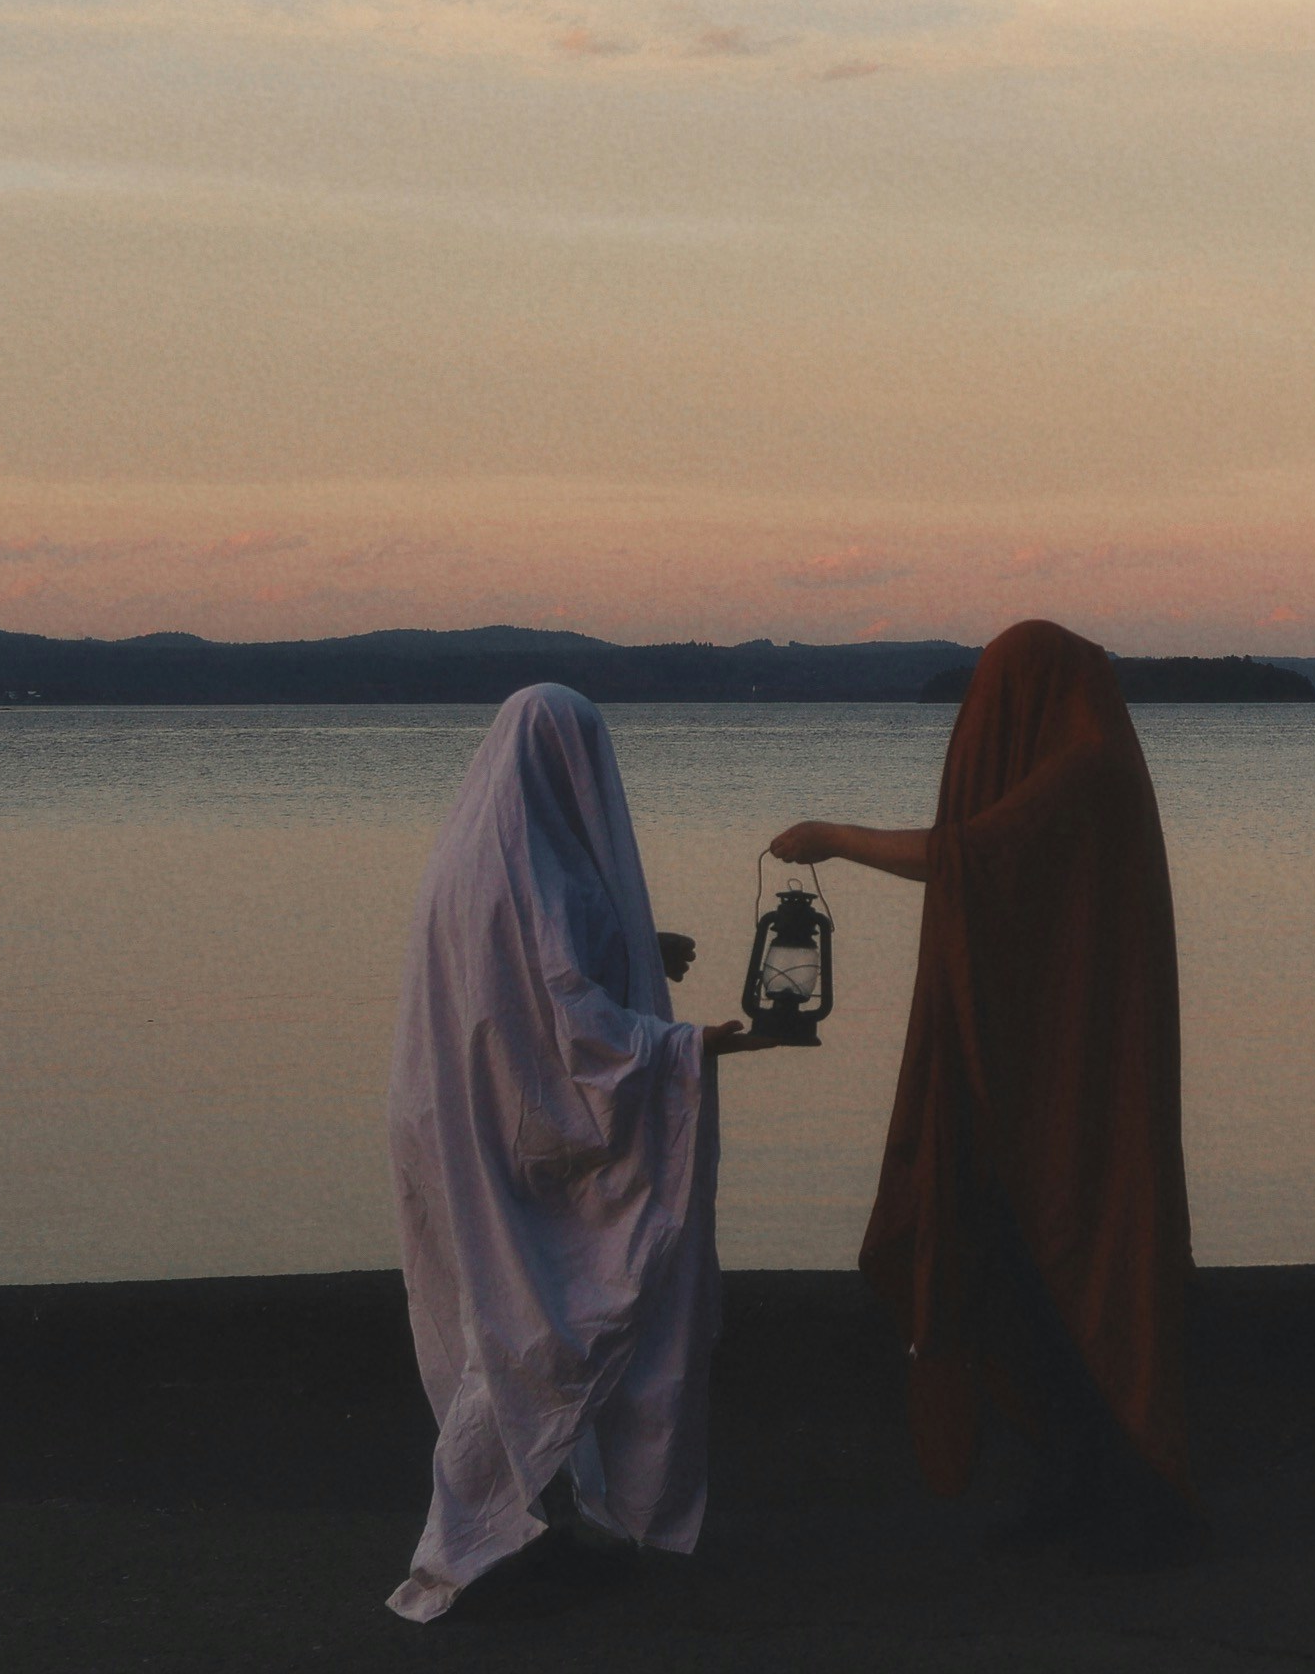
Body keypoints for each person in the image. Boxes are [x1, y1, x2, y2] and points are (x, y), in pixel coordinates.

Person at [771, 618, 1202, 1565]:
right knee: (1025, 1256)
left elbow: (970, 857)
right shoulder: (1098, 759)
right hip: (1063, 1065)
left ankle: (1118, 1495)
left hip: (1072, 1084)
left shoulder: (1086, 770)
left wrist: (832, 839)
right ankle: (1079, 1482)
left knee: (1066, 1257)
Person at [385, 683, 759, 1623]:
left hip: (452, 1115)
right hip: (508, 1125)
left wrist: (642, 946)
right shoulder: (529, 869)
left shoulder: (481, 845)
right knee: (532, 1328)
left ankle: (522, 1529)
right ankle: (459, 1555)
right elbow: (568, 1022)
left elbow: (526, 973)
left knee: (504, 1318)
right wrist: (690, 1047)